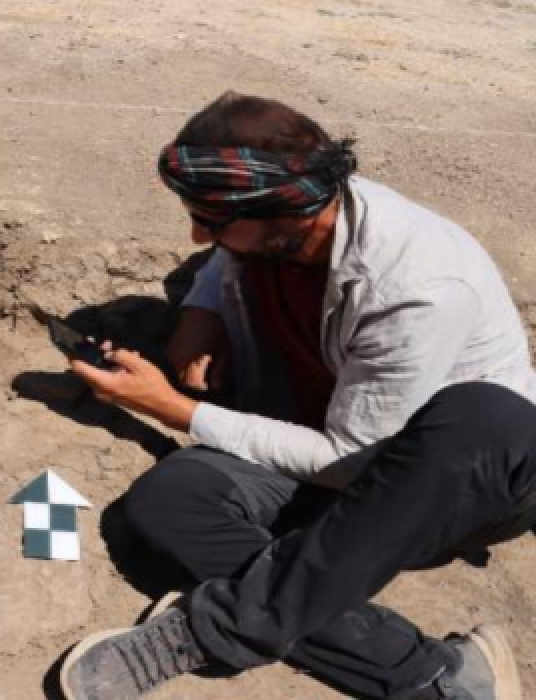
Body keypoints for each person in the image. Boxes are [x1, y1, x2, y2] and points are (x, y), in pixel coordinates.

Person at [58, 93, 534, 700]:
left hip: (445, 485)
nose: (198, 232)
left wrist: (173, 410)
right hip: (324, 444)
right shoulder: (296, 219)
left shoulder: (419, 285)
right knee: (169, 499)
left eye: (212, 218)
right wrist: (202, 312)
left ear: (291, 212)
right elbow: (221, 256)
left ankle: (212, 631)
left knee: (484, 416)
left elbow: (353, 462)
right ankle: (439, 673)